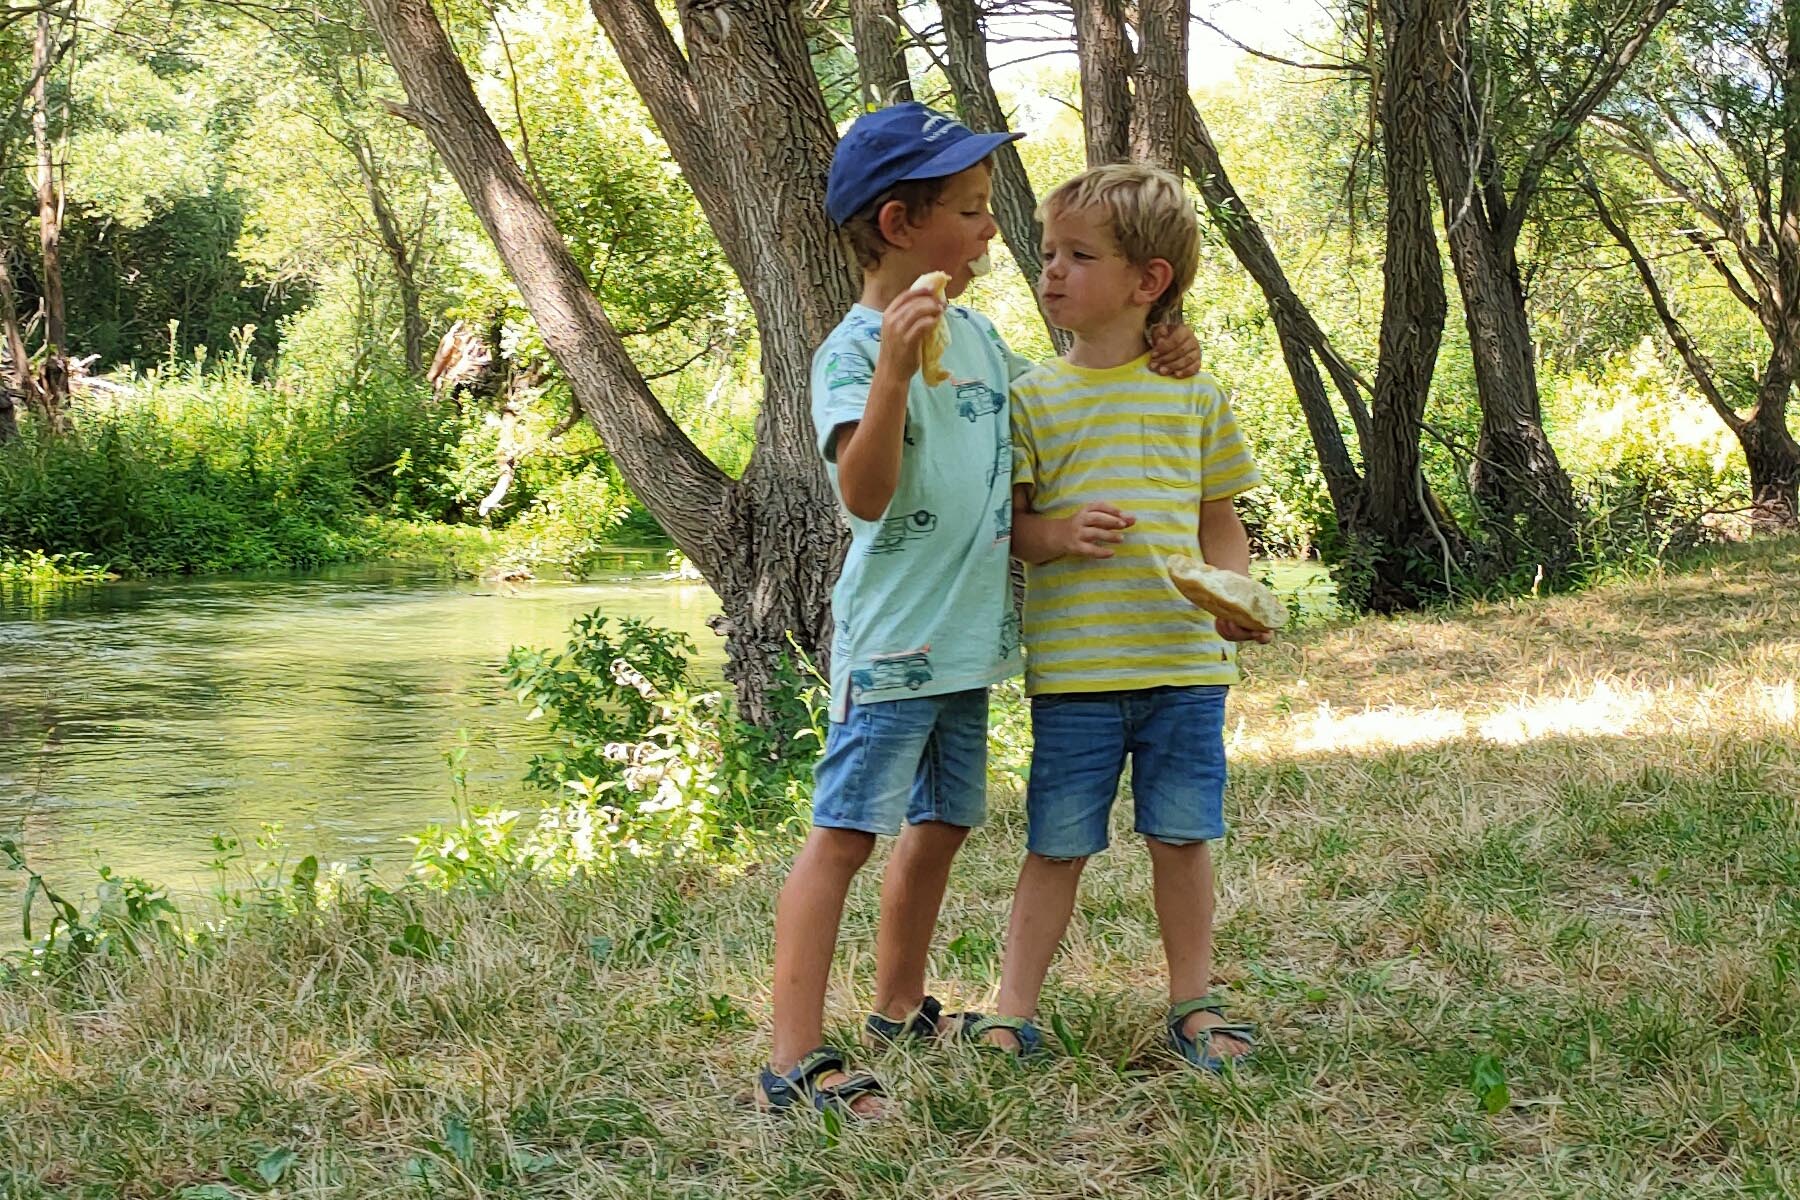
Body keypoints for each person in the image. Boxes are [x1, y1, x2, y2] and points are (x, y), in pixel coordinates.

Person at [759, 107, 1201, 1117]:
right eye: (969, 210)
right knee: (843, 835)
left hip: (966, 646)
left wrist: (1170, 343)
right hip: (895, 643)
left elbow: (1064, 395)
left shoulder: (985, 337)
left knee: (946, 819)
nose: (992, 229)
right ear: (902, 222)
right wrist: (890, 377)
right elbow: (864, 496)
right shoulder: (851, 351)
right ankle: (793, 1054)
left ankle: (899, 1005)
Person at [972, 163, 1269, 1072]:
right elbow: (1012, 531)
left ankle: (1194, 1003)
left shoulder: (1194, 395)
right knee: (1056, 846)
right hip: (1077, 677)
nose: (1050, 271)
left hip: (1184, 670)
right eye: (1048, 253)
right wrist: (1058, 534)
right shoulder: (1031, 398)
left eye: (1078, 255)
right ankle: (1011, 1009)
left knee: (1182, 839)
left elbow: (1221, 519)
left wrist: (1238, 595)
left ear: (1149, 283)